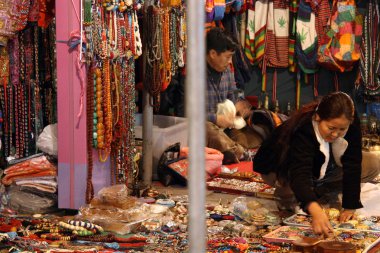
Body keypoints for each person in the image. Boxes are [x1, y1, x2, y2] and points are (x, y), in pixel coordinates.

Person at [253, 91, 379, 236]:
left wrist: (350, 205)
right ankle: (291, 193)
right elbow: (300, 172)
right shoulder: (303, 128)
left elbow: (353, 164)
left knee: (373, 162)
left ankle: (321, 190)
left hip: (321, 165)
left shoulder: (351, 125)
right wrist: (315, 210)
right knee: (296, 189)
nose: (335, 134)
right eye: (331, 128)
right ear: (318, 117)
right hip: (279, 167)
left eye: (342, 129)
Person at [205, 27, 262, 164]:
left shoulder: (227, 70)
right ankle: (239, 152)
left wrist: (239, 106)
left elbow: (233, 95)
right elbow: (184, 112)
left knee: (253, 130)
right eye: (228, 57)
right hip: (204, 128)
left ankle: (236, 151)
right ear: (213, 53)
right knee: (207, 128)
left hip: (225, 129)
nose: (230, 62)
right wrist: (216, 118)